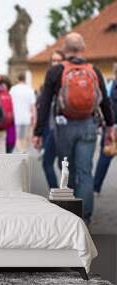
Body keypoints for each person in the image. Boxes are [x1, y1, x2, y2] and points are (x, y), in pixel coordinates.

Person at [33, 33, 115, 224]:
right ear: (83, 48)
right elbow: (105, 102)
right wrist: (110, 126)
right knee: (85, 172)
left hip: (64, 127)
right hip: (88, 125)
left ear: (65, 50)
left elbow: (44, 103)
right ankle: (85, 217)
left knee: (66, 170)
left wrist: (38, 132)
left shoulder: (56, 71)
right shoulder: (94, 70)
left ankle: (70, 215)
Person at [40, 50, 65, 189]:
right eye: (53, 61)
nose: (55, 63)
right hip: (52, 128)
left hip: (58, 129)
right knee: (61, 164)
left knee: (49, 163)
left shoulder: (60, 81)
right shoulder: (50, 79)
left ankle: (58, 194)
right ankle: (64, 193)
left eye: (58, 60)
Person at [93, 67, 117, 195]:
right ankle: (95, 187)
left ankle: (96, 188)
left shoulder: (110, 85)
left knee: (104, 157)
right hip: (112, 127)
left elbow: (104, 105)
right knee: (105, 157)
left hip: (111, 126)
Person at [9, 73, 36, 152]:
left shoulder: (13, 89)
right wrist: (34, 119)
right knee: (25, 137)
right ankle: (23, 151)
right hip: (27, 118)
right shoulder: (30, 90)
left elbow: (9, 103)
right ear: (25, 79)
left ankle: (19, 151)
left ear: (18, 79)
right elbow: (33, 107)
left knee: (17, 137)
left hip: (15, 118)